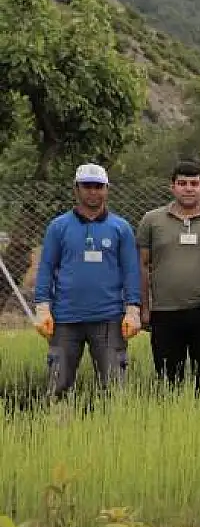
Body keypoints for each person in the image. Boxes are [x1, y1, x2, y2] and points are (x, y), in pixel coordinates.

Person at [32, 164, 141, 398]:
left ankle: (115, 428)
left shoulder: (120, 228)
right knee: (58, 384)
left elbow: (132, 271)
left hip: (109, 319)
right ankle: (58, 426)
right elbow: (46, 269)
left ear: (107, 189)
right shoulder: (58, 227)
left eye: (98, 187)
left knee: (114, 385)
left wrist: (133, 309)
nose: (93, 192)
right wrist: (42, 307)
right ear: (76, 189)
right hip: (65, 319)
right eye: (87, 186)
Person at [138, 161, 200, 393]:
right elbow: (142, 265)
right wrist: (144, 308)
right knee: (168, 381)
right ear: (172, 187)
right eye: (182, 183)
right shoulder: (152, 220)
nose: (188, 188)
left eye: (194, 183)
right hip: (164, 313)